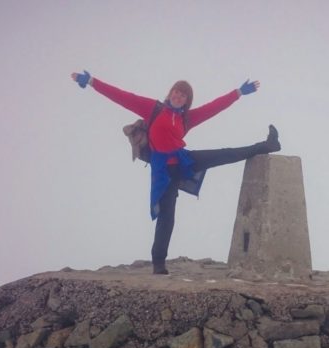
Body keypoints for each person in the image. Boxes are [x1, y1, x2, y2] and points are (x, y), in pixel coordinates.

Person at [70, 70, 281, 275]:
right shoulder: (153, 109)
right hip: (163, 172)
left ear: (187, 101)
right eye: (176, 92)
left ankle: (268, 145)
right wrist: (91, 82)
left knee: (224, 154)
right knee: (166, 217)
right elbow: (122, 97)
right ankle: (158, 263)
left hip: (183, 161)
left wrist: (238, 93)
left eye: (183, 95)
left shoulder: (186, 119)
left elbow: (214, 107)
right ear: (170, 93)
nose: (178, 96)